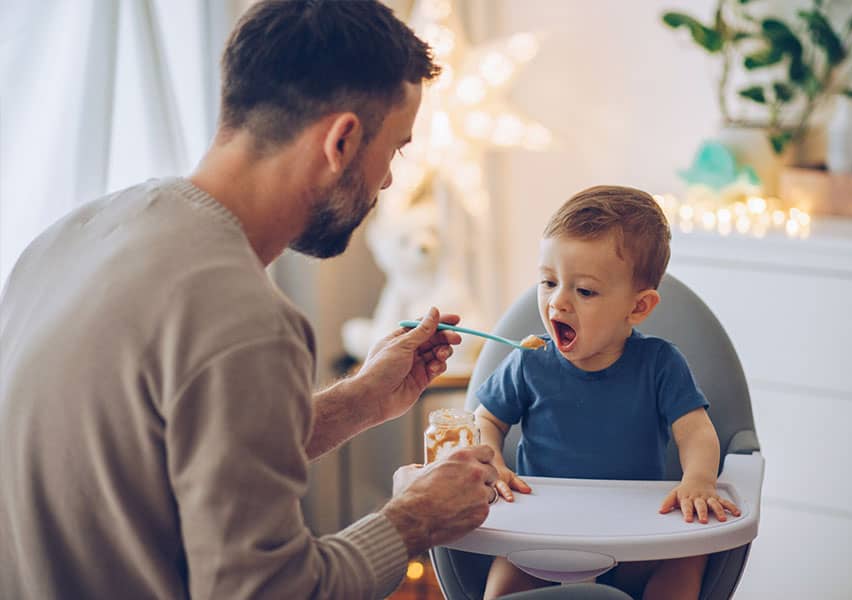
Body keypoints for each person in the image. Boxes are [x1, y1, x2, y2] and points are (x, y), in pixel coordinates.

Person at [0, 1, 500, 598]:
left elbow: (170, 455)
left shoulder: (71, 235)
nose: (389, 180)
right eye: (394, 150)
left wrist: (360, 401)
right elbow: (264, 591)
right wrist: (413, 519)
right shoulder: (246, 320)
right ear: (341, 140)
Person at [474, 186, 742, 600]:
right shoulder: (530, 361)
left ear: (638, 308)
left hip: (638, 540)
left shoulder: (659, 364)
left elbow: (696, 432)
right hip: (542, 541)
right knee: (502, 586)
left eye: (584, 291)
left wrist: (699, 480)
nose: (556, 303)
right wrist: (491, 454)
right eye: (548, 282)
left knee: (688, 559)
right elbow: (487, 418)